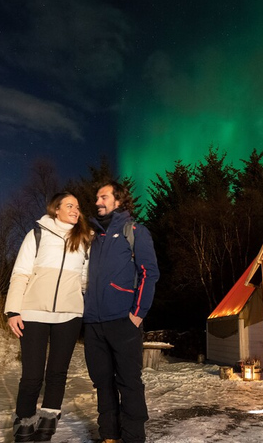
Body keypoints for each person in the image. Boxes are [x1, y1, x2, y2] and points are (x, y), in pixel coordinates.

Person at [4, 192, 91, 442]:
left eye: (78, 206)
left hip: (69, 315)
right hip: (33, 313)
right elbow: (20, 273)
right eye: (70, 205)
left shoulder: (84, 240)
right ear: (56, 209)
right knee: (32, 376)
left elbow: (85, 281)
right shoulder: (37, 235)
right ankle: (24, 428)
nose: (76, 210)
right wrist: (13, 310)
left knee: (57, 373)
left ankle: (47, 428)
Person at [83, 180, 160, 443]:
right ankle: (109, 435)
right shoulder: (93, 237)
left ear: (119, 200)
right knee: (102, 383)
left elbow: (149, 273)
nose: (97, 202)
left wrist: (137, 314)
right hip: (93, 323)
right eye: (96, 198)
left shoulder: (134, 231)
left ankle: (133, 437)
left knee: (129, 382)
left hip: (123, 320)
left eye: (103, 196)